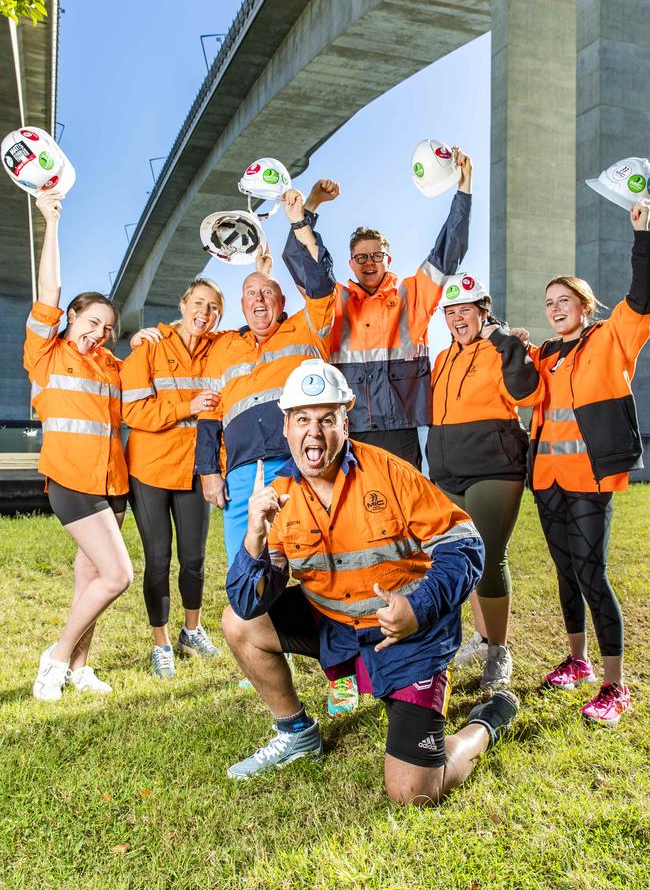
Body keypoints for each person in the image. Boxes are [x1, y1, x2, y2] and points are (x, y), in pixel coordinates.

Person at [221, 359, 520, 802]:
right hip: (338, 626)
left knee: (415, 792)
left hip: (408, 634)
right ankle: (297, 732)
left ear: (347, 419)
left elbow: (467, 545)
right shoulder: (279, 495)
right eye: (302, 419)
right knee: (238, 623)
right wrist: (254, 538)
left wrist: (417, 610)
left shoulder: (389, 472)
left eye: (326, 419)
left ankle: (488, 721)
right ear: (286, 427)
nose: (314, 432)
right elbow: (249, 603)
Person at [195, 188, 359, 712]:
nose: (259, 300)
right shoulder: (224, 347)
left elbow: (319, 281)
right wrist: (207, 470)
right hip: (240, 475)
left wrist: (300, 223)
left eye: (267, 292)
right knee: (249, 570)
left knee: (318, 566)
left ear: (282, 300)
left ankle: (341, 673)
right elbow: (208, 410)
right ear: (240, 305)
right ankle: (261, 656)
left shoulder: (307, 324)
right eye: (249, 294)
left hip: (300, 467)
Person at [525, 201, 650, 724]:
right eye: (550, 302)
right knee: (563, 572)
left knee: (592, 574)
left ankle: (614, 686)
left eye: (565, 300)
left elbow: (642, 292)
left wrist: (643, 233)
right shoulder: (545, 354)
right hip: (547, 480)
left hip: (590, 479)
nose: (556, 308)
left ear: (586, 305)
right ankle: (576, 661)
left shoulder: (613, 337)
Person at [282, 150, 473, 469]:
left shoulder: (413, 293)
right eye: (361, 257)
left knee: (403, 510)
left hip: (403, 428)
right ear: (350, 264)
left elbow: (449, 250)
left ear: (389, 259)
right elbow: (301, 262)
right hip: (349, 427)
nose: (369, 263)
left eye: (377, 255)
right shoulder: (334, 299)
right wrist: (309, 207)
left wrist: (464, 187)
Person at [24, 190, 133, 700]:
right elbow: (51, 287)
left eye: (108, 329)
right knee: (117, 576)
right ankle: (57, 656)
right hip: (71, 481)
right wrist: (51, 222)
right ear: (71, 317)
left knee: (89, 575)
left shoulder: (111, 365)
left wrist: (152, 339)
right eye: (91, 322)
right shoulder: (47, 351)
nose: (99, 333)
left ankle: (80, 667)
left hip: (113, 484)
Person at [427, 273, 543, 691]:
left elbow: (527, 393)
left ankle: (499, 652)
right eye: (451, 312)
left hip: (494, 467)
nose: (458, 319)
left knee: (488, 556)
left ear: (484, 313)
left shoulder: (504, 346)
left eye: (467, 311)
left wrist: (507, 340)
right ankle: (479, 636)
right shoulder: (442, 359)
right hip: (448, 473)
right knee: (458, 558)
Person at [121, 278, 224, 678]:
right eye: (199, 303)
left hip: (196, 469)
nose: (205, 312)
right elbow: (134, 412)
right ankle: (160, 643)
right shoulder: (148, 346)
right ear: (183, 303)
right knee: (159, 559)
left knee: (194, 559)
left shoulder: (220, 348)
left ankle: (191, 631)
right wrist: (189, 405)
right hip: (149, 469)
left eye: (214, 307)